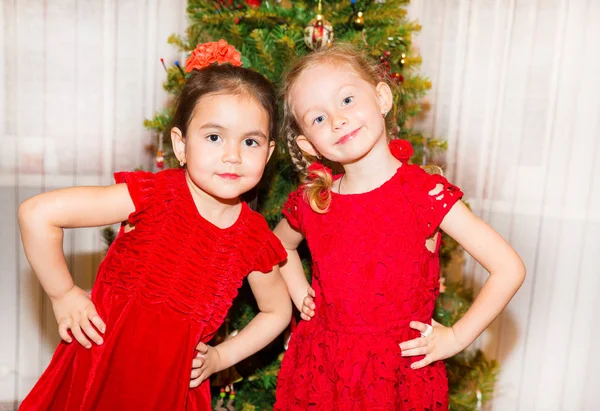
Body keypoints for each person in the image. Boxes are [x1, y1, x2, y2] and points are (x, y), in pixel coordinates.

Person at [18, 40, 291, 410]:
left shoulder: (253, 238)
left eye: (250, 141)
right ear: (180, 145)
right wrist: (62, 294)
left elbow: (277, 311)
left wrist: (221, 358)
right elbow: (37, 214)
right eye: (214, 137)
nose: (233, 155)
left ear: (269, 152)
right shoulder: (151, 195)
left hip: (174, 390)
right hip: (98, 371)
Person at [272, 43, 526, 410]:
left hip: (397, 378)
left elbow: (509, 268)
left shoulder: (423, 194)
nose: (337, 120)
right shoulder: (314, 200)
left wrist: (455, 337)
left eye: (346, 100)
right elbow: (279, 245)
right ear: (307, 144)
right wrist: (299, 293)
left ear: (382, 98)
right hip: (323, 373)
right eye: (318, 118)